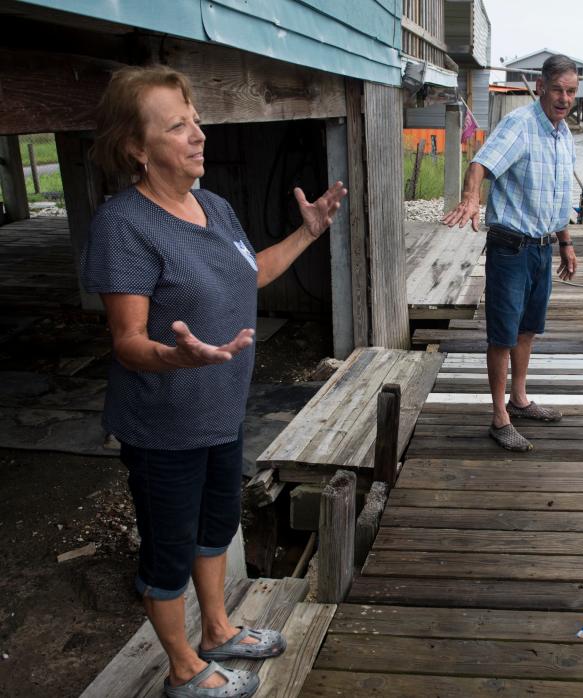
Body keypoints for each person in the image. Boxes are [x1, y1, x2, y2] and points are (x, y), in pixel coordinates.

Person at [82, 65, 347, 698]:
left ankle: (218, 630)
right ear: (136, 149)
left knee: (214, 526)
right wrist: (181, 359)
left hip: (221, 411)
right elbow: (127, 342)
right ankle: (181, 668)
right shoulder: (124, 225)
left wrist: (307, 233)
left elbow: (246, 274)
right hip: (163, 424)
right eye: (177, 126)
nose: (198, 134)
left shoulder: (214, 206)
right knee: (168, 549)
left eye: (195, 117)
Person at [443, 54, 579, 452]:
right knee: (503, 334)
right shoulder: (519, 125)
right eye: (557, 89)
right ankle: (499, 416)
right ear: (541, 87)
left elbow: (557, 197)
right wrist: (471, 197)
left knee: (528, 328)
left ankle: (519, 400)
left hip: (541, 249)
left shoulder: (563, 133)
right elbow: (480, 164)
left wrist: (566, 242)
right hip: (511, 247)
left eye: (570, 92)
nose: (564, 98)